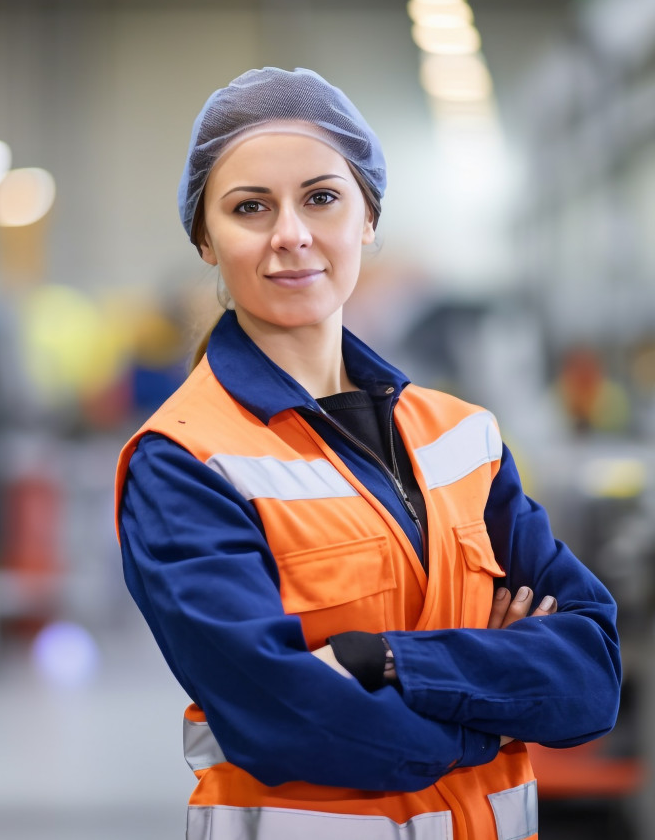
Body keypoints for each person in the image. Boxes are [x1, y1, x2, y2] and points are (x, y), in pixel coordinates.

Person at [114, 68, 622, 840]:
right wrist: (494, 696)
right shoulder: (184, 462)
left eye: (322, 198)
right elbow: (285, 714)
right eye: (251, 207)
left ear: (369, 218)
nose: (291, 234)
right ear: (205, 239)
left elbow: (590, 675)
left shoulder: (461, 439)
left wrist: (382, 659)